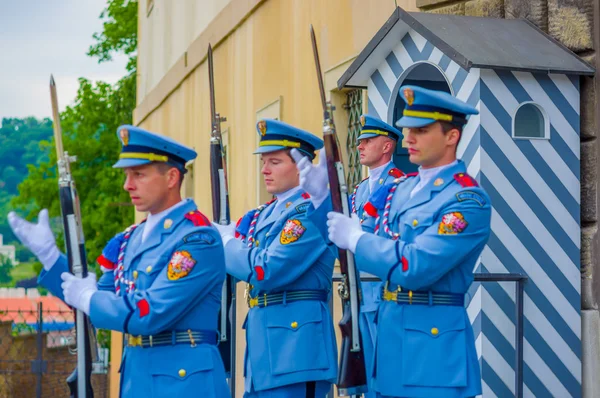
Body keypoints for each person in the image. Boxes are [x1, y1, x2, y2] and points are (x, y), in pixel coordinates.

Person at [8, 125, 230, 398]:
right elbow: (96, 302)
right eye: (127, 175)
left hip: (184, 384)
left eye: (138, 174)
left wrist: (88, 297)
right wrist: (52, 259)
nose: (128, 185)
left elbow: (148, 313)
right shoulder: (129, 239)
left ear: (172, 177)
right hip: (137, 380)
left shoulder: (197, 240)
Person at [300, 86, 490, 398]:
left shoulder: (467, 199)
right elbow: (346, 252)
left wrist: (358, 238)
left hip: (433, 353)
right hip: (389, 343)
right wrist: (322, 202)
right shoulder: (396, 191)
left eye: (422, 130)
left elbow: (416, 266)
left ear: (452, 136)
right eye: (408, 129)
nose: (410, 138)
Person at [213, 119, 337, 398]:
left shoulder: (308, 212)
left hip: (296, 350)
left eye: (275, 162)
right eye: (263, 162)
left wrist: (227, 243)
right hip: (264, 348)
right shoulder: (266, 213)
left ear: (301, 166)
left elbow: (267, 269)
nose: (264, 170)